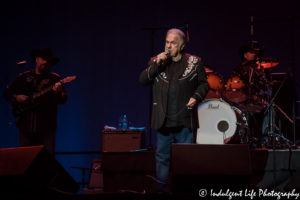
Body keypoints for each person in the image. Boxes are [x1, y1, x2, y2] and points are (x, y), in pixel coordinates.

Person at [139, 28, 209, 192]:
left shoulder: (194, 62)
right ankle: (161, 190)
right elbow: (143, 80)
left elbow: (204, 84)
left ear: (182, 46)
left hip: (184, 120)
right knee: (162, 158)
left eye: (173, 43)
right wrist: (157, 63)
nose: (169, 46)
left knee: (186, 160)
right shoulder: (157, 61)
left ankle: (185, 191)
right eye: (167, 42)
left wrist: (196, 97)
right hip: (163, 121)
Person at [3, 48, 67, 155]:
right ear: (37, 60)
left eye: (48, 61)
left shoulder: (55, 79)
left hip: (46, 127)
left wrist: (58, 92)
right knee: (26, 159)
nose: (46, 63)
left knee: (46, 161)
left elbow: (63, 99)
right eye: (44, 59)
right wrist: (16, 98)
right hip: (25, 125)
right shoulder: (24, 77)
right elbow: (7, 93)